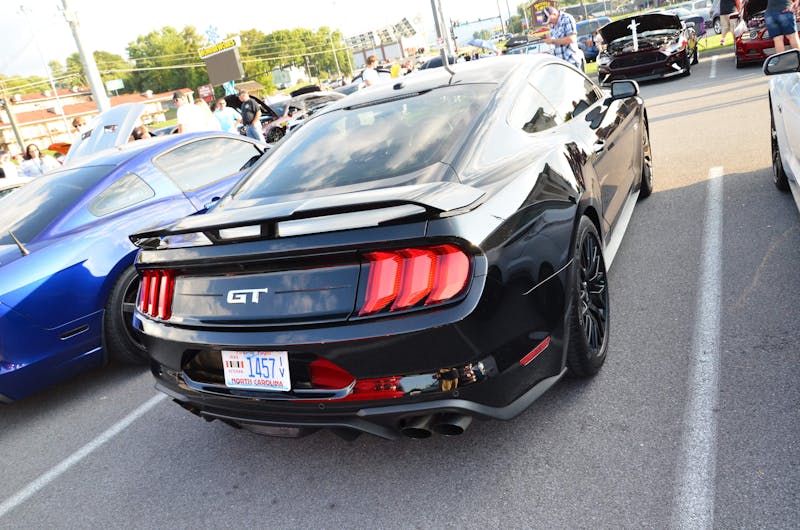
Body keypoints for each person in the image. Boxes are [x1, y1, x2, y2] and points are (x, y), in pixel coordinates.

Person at [543, 5, 581, 69]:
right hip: (560, 64)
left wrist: (552, 41)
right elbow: (557, 46)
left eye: (550, 21)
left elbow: (571, 39)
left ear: (554, 14)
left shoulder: (567, 18)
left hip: (570, 62)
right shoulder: (553, 25)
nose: (549, 23)